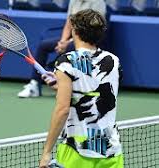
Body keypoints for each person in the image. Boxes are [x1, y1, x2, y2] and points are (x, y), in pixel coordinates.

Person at [39, 9, 123, 168]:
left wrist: (47, 152)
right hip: (111, 151)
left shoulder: (66, 62)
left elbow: (62, 109)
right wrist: (61, 85)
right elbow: (96, 87)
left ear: (74, 31)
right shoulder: (114, 61)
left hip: (77, 150)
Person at [17, 0, 107, 98]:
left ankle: (71, 86)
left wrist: (69, 43)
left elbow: (93, 29)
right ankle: (34, 85)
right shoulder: (74, 1)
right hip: (72, 38)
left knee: (70, 47)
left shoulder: (98, 2)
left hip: (89, 39)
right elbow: (69, 23)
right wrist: (62, 42)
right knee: (44, 45)